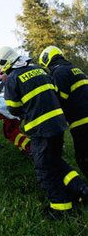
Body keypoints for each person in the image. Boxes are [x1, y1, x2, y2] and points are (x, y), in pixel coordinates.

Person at [0, 46, 88, 217]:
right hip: (58, 125)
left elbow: (13, 109)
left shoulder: (12, 78)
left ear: (5, 63)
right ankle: (81, 188)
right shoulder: (39, 69)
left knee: (44, 169)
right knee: (55, 161)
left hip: (40, 129)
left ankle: (62, 209)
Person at [39, 46, 88, 177]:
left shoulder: (58, 72)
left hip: (80, 122)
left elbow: (60, 99)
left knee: (83, 158)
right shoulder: (75, 69)